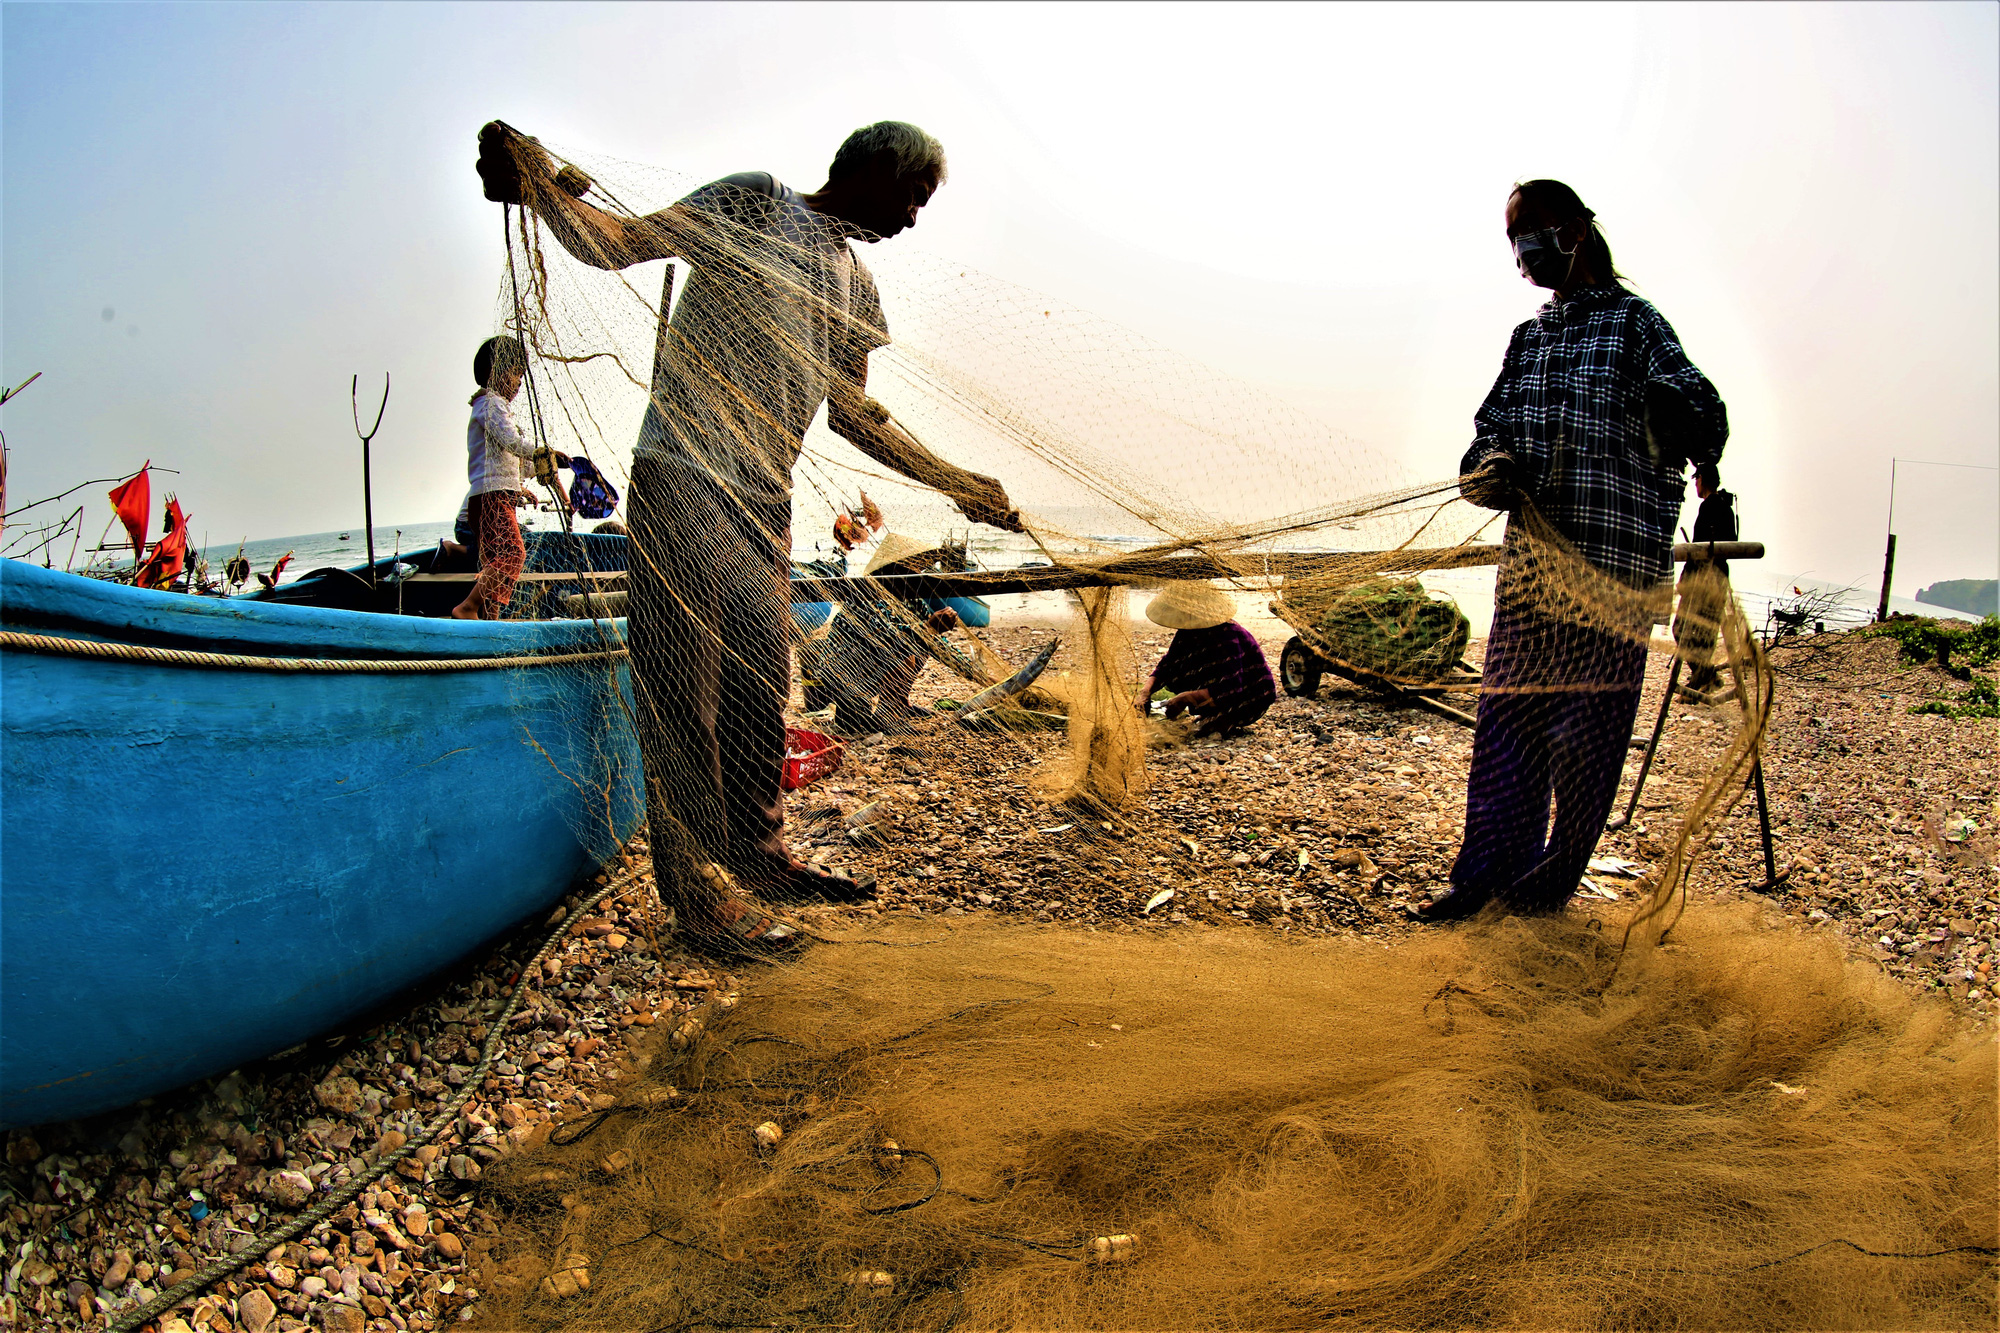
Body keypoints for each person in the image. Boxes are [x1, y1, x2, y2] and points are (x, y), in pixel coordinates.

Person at [476, 118, 1025, 955]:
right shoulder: (757, 203)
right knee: (682, 676)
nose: (914, 219)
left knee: (762, 674)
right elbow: (617, 241)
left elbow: (856, 415)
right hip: (683, 470)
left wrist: (956, 481)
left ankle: (759, 857)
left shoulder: (859, 285)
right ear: (868, 169)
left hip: (765, 496)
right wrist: (540, 185)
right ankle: (697, 892)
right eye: (911, 196)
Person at [1420, 179, 1727, 924]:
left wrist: (1679, 420)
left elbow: (1705, 415)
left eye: (1528, 232)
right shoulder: (1530, 341)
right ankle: (1482, 879)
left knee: (1583, 744)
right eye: (1512, 239)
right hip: (1529, 578)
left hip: (1613, 580)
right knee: (1509, 730)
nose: (1521, 251)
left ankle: (1543, 891)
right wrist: (1491, 467)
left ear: (1572, 231)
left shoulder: (1635, 326)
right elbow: (1483, 442)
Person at [451, 336, 570, 620]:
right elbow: (511, 441)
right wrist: (543, 452)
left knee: (493, 561)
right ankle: (467, 608)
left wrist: (548, 463)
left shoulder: (490, 407)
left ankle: (490, 620)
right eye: (515, 373)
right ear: (497, 371)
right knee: (513, 556)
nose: (518, 383)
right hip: (492, 498)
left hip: (492, 497)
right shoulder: (491, 404)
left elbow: (516, 464)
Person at [817, 532, 963, 736]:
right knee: (911, 644)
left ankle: (898, 705)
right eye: (911, 571)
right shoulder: (869, 596)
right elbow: (890, 639)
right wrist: (930, 628)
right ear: (893, 570)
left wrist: (973, 669)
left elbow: (937, 642)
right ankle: (886, 715)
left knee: (924, 642)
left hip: (870, 668)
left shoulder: (910, 599)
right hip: (844, 674)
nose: (917, 577)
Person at [1135, 582, 1276, 737]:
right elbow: (1167, 665)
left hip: (1250, 698)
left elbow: (1231, 688)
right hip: (1222, 691)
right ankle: (1211, 712)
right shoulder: (1187, 633)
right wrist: (1145, 692)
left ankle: (1226, 718)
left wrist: (1185, 698)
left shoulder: (1228, 634)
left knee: (1205, 728)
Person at [1673, 462, 1738, 699]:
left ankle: (1703, 677)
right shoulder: (1725, 507)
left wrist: (1686, 581)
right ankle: (1704, 678)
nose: (1695, 485)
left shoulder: (1710, 506)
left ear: (1702, 479)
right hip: (1718, 578)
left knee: (1682, 629)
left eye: (1696, 479)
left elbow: (1702, 550)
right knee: (1704, 634)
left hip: (1703, 580)